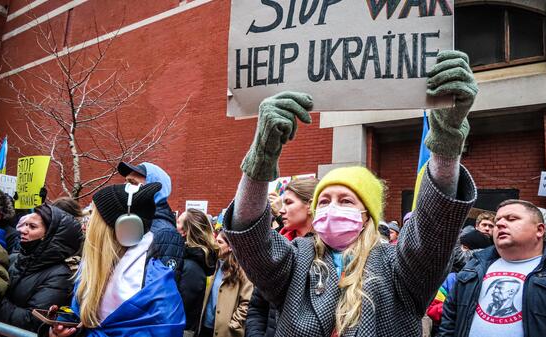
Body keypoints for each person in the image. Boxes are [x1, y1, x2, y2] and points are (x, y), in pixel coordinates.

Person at [223, 50, 478, 336]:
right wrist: (261, 159)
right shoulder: (295, 260)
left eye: (345, 200)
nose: (332, 208)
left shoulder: (398, 267)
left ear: (367, 214)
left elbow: (434, 225)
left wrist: (446, 139)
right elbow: (249, 233)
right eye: (324, 201)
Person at [438, 199, 546, 337]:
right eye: (498, 220)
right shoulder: (473, 268)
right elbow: (450, 319)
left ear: (539, 230)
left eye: (512, 219)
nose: (499, 223)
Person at [48, 182, 185, 336]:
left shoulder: (158, 289)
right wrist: (64, 328)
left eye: (92, 213)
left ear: (126, 227)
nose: (87, 222)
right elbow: (81, 316)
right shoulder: (92, 267)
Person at [246, 177, 318, 337]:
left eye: (289, 203)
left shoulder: (327, 251)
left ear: (310, 205)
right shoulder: (277, 245)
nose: (281, 210)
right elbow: (257, 306)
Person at [0, 204, 82, 332]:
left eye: (32, 227)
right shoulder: (14, 258)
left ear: (49, 236)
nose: (23, 230)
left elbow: (32, 321)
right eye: (25, 224)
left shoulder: (60, 276)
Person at [117, 162, 184, 275]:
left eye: (132, 183)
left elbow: (161, 287)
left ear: (155, 188)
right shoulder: (132, 222)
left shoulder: (165, 233)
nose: (126, 187)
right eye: (126, 181)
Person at [200, 231, 253, 337]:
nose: (216, 245)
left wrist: (234, 324)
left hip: (226, 331)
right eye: (216, 241)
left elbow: (246, 302)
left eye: (220, 242)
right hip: (205, 326)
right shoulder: (214, 265)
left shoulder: (242, 270)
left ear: (230, 247)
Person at [177, 208, 219, 337]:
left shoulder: (191, 267)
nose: (175, 225)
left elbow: (184, 305)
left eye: (178, 222)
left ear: (185, 231)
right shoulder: (192, 260)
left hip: (182, 329)